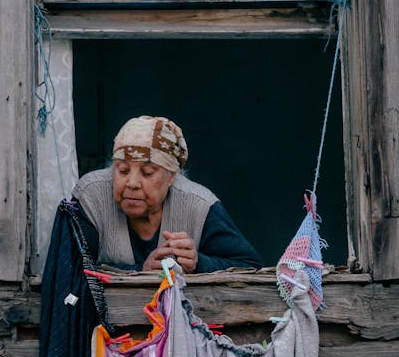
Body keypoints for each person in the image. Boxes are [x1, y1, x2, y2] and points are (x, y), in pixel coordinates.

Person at [71, 115, 262, 273]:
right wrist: (139, 271)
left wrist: (199, 263)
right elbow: (70, 273)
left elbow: (250, 267)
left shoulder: (199, 204)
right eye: (122, 170)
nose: (132, 183)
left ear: (171, 177)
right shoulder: (91, 196)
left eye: (147, 173)